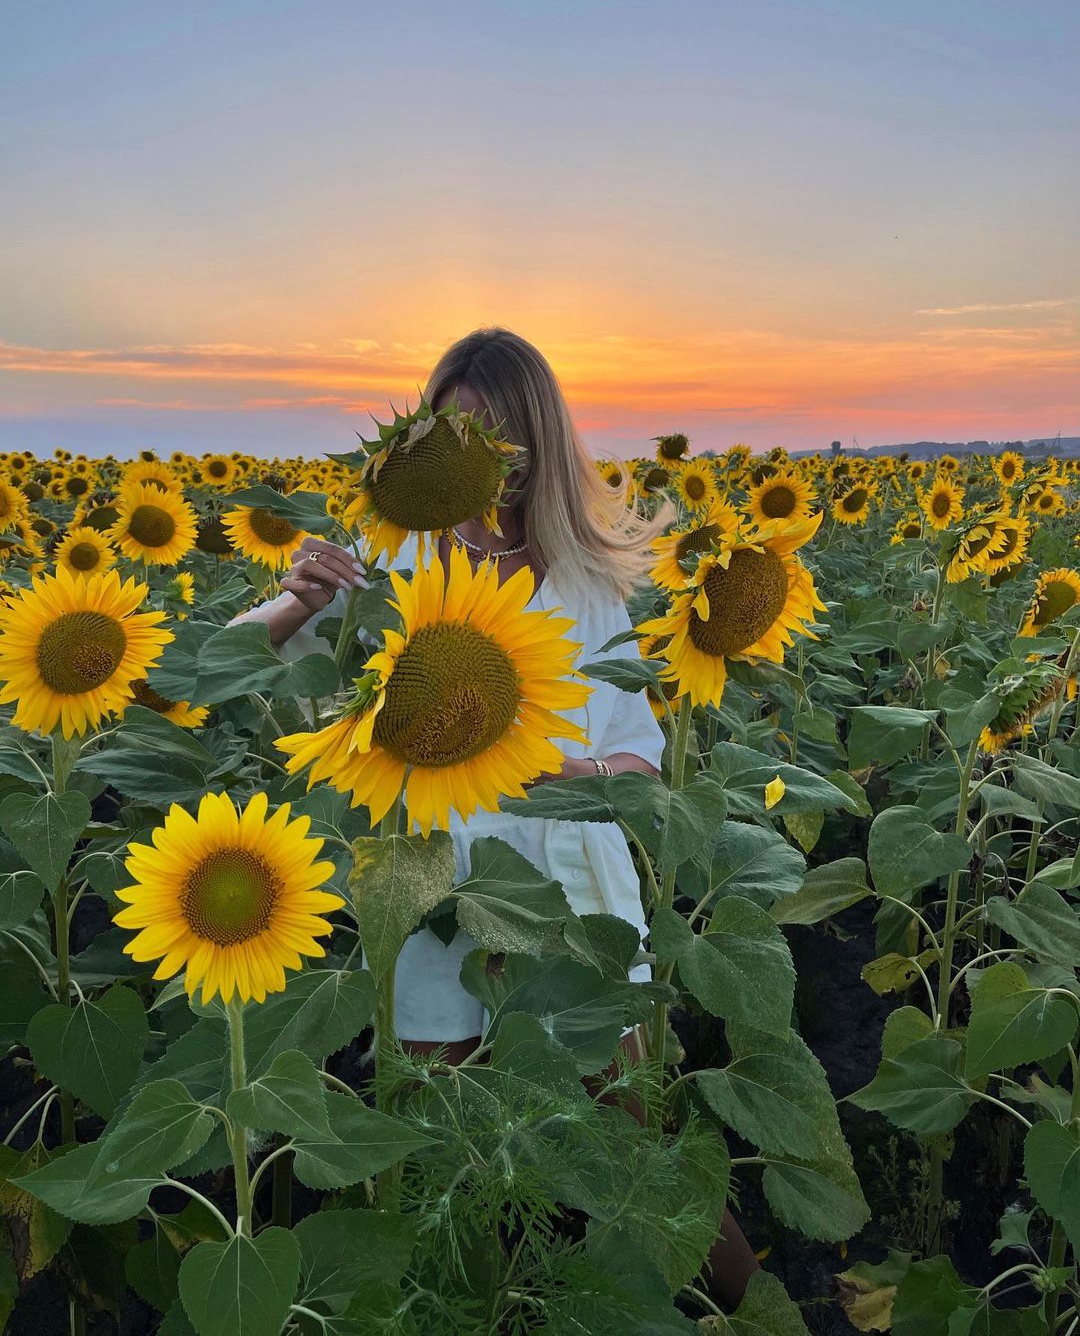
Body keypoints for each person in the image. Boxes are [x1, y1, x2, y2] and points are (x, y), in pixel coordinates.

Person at [231, 325, 760, 1310]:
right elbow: (205, 672)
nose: (473, 461)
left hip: (576, 897)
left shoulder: (589, 579)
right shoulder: (390, 559)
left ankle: (747, 1304)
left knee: (632, 1146)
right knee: (444, 1137)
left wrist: (558, 770)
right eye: (450, 436)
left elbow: (637, 751)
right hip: (435, 888)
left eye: (493, 439)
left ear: (535, 445)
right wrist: (295, 604)